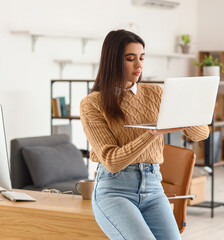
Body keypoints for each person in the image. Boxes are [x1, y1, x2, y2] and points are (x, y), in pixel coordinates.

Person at [80, 29, 209, 240]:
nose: (139, 65)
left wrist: (189, 109)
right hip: (114, 190)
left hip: (153, 185)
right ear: (113, 61)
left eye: (141, 58)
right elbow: (112, 161)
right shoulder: (92, 103)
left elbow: (200, 134)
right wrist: (153, 133)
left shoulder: (156, 93)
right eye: (130, 59)